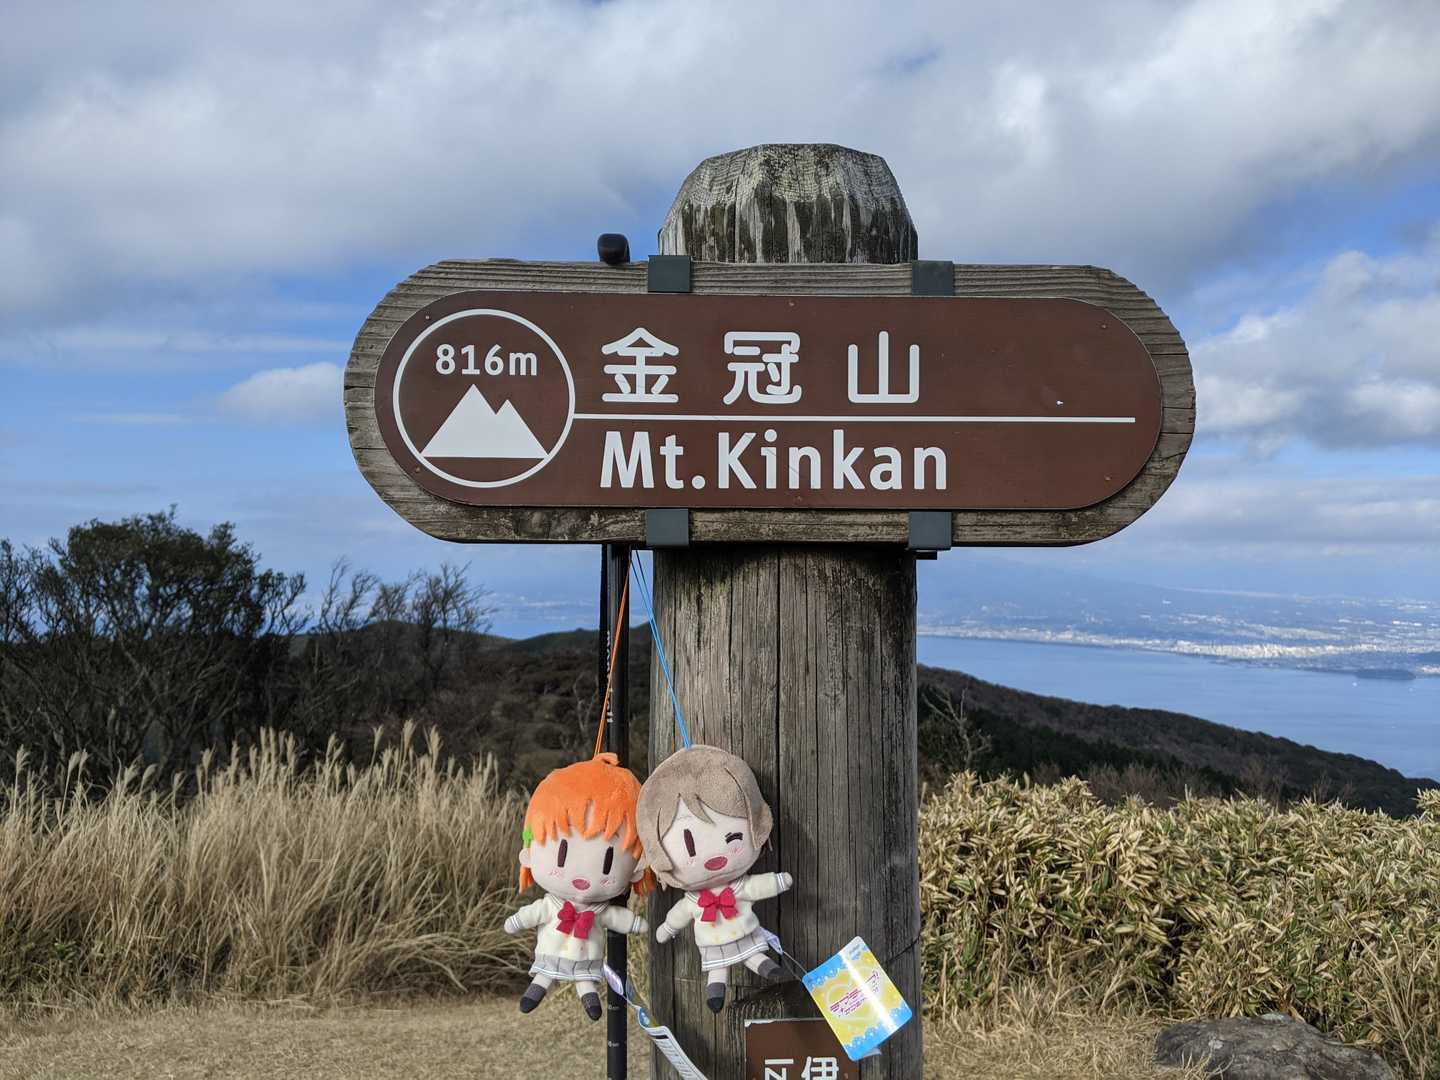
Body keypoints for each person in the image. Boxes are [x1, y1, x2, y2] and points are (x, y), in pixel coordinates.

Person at [638, 744, 793, 1013]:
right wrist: (667, 929)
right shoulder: (694, 900)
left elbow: (756, 887)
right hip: (712, 943)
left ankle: (766, 967)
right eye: (690, 849)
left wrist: (779, 881)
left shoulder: (737, 887)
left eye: (733, 838)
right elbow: (678, 915)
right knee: (717, 970)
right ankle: (716, 992)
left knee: (753, 954)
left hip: (745, 932)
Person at [503, 752, 653, 1020]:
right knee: (543, 976)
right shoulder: (552, 905)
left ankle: (589, 998)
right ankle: (536, 990)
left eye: (608, 863)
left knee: (586, 981)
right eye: (561, 855)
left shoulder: (598, 911)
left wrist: (635, 924)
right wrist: (516, 922)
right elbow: (533, 913)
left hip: (586, 960)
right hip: (550, 954)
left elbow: (616, 917)